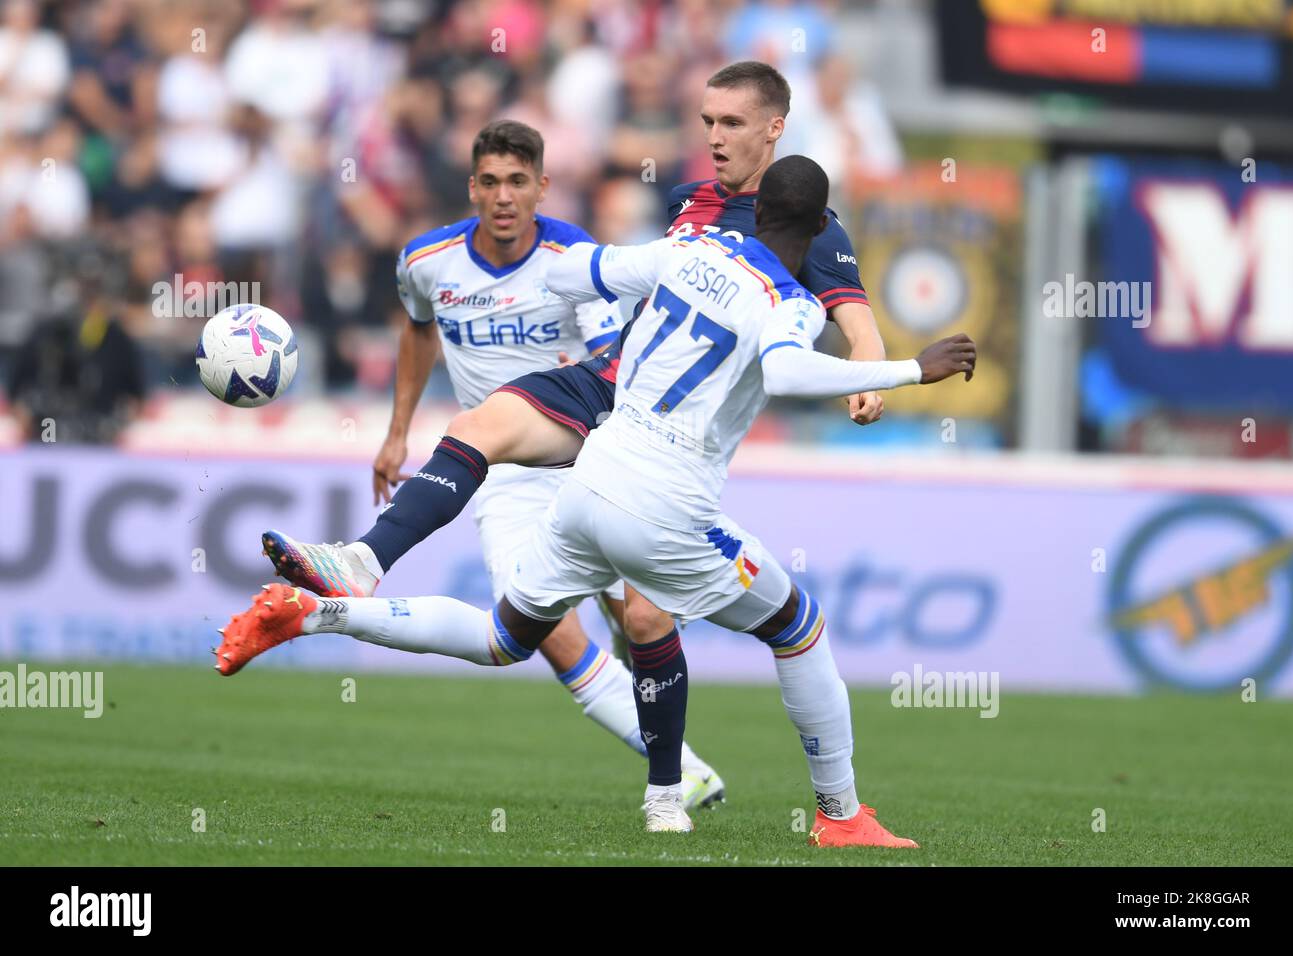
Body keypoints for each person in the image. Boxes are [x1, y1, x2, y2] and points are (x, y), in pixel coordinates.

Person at [217, 155, 977, 842]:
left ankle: (320, 611)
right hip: (666, 507)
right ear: (817, 229)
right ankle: (842, 817)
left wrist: (603, 280)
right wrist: (910, 371)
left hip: (586, 484)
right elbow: (785, 374)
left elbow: (570, 274)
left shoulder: (687, 248)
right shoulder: (792, 303)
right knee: (798, 627)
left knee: (504, 638)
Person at [267, 60, 888, 671]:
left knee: (637, 621)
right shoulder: (685, 201)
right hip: (607, 380)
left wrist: (870, 380)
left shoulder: (815, 230)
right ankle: (360, 564)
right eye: (708, 121)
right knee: (475, 429)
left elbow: (859, 326)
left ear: (775, 128)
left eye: (732, 122)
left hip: (667, 435)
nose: (715, 137)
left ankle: (676, 774)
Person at [261, 118, 724, 810]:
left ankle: (660, 718)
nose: (504, 196)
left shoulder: (576, 262)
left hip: (590, 457)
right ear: (472, 188)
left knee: (640, 624)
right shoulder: (426, 261)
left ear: (541, 187)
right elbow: (418, 331)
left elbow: (611, 368)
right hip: (499, 474)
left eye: (517, 182)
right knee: (542, 631)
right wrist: (395, 434)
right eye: (490, 182)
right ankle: (682, 771)